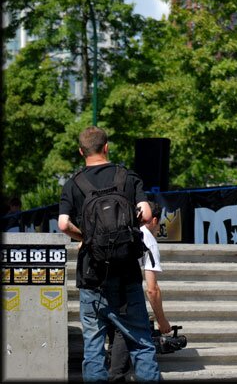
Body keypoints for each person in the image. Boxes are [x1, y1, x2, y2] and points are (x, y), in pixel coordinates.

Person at [58, 126, 160, 382]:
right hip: (126, 275)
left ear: (81, 151)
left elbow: (62, 224)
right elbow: (146, 215)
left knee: (93, 347)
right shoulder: (127, 177)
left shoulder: (73, 184)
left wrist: (86, 238)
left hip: (92, 276)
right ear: (107, 147)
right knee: (141, 343)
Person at [107, 201, 171, 382]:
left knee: (116, 332)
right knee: (127, 330)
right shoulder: (147, 238)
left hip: (101, 289)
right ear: (155, 220)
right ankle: (115, 376)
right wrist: (161, 319)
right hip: (125, 292)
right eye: (159, 224)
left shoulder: (119, 229)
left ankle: (114, 371)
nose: (158, 228)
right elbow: (152, 289)